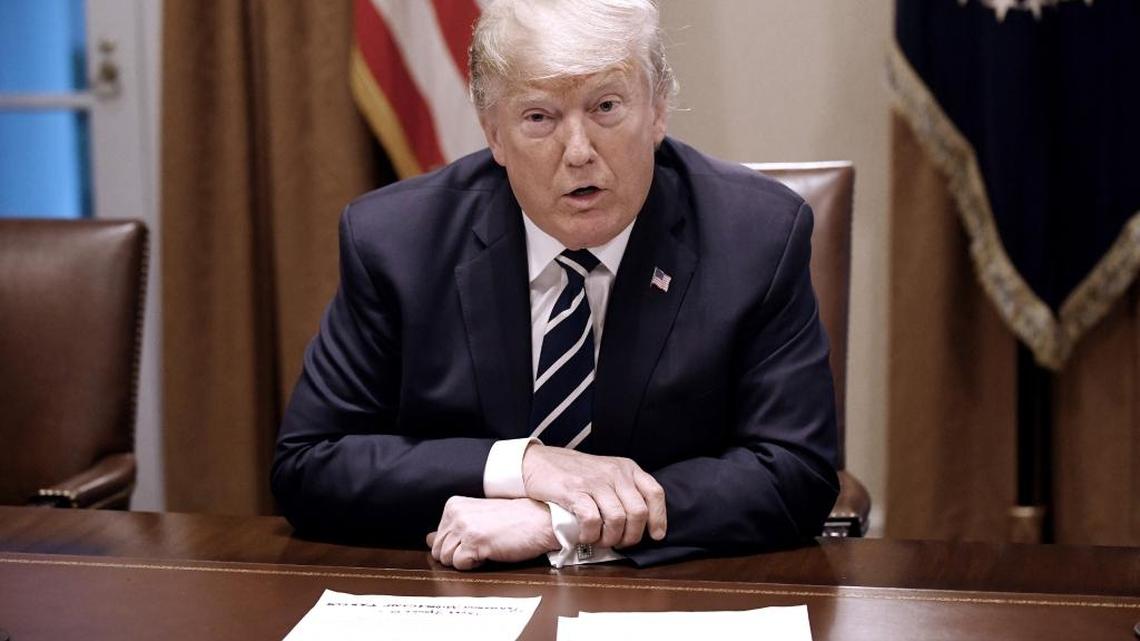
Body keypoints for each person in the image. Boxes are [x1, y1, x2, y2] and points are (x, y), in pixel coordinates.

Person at [271, 0, 839, 570]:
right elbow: (311, 463)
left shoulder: (756, 237)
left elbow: (795, 471)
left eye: (606, 107)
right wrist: (523, 467)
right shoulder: (397, 242)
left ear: (659, 110)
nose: (578, 152)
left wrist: (559, 523)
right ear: (493, 134)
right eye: (539, 117)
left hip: (666, 602)